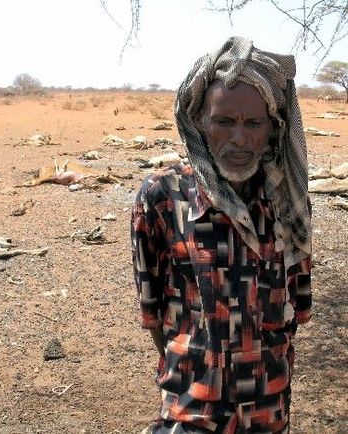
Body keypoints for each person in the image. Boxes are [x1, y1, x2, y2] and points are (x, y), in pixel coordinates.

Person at [131, 36, 312, 434]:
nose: (240, 139)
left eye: (254, 123)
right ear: (199, 122)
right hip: (191, 411)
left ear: (273, 127)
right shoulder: (162, 198)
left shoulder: (287, 204)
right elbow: (153, 315)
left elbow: (295, 315)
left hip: (267, 412)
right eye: (224, 121)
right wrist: (202, 370)